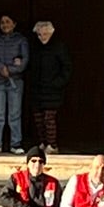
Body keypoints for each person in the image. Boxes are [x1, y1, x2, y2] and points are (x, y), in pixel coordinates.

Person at [0, 13, 29, 152]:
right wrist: (0, 67)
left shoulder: (21, 40)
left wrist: (10, 69)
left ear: (14, 24)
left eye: (8, 22)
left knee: (15, 113)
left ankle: (16, 144)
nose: (5, 25)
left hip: (15, 81)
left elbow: (25, 59)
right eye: (2, 22)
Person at [25, 19, 72, 149]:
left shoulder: (59, 47)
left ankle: (52, 145)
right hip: (37, 90)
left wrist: (58, 82)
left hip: (53, 90)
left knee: (49, 119)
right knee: (38, 119)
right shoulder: (35, 48)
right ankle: (42, 143)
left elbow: (67, 67)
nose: (42, 37)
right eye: (39, 35)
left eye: (45, 34)